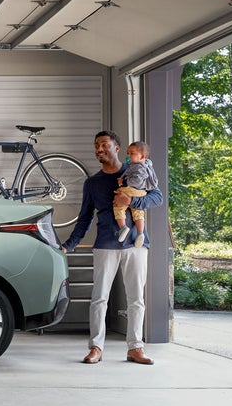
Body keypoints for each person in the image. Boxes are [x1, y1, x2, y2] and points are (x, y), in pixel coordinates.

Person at [61, 131, 163, 365]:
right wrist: (70, 245)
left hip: (137, 244)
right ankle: (96, 347)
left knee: (136, 299)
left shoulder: (139, 170)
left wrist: (132, 201)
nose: (99, 149)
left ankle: (135, 348)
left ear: (117, 148)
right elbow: (84, 218)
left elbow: (157, 197)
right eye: (96, 145)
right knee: (99, 299)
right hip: (106, 244)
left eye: (104, 145)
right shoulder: (92, 183)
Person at [114, 140, 158, 248]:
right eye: (128, 153)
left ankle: (123, 227)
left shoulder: (138, 166)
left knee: (118, 208)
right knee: (138, 213)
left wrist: (123, 182)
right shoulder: (143, 165)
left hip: (130, 190)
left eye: (132, 153)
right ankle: (140, 233)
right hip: (140, 193)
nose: (128, 156)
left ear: (142, 156)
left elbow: (137, 180)